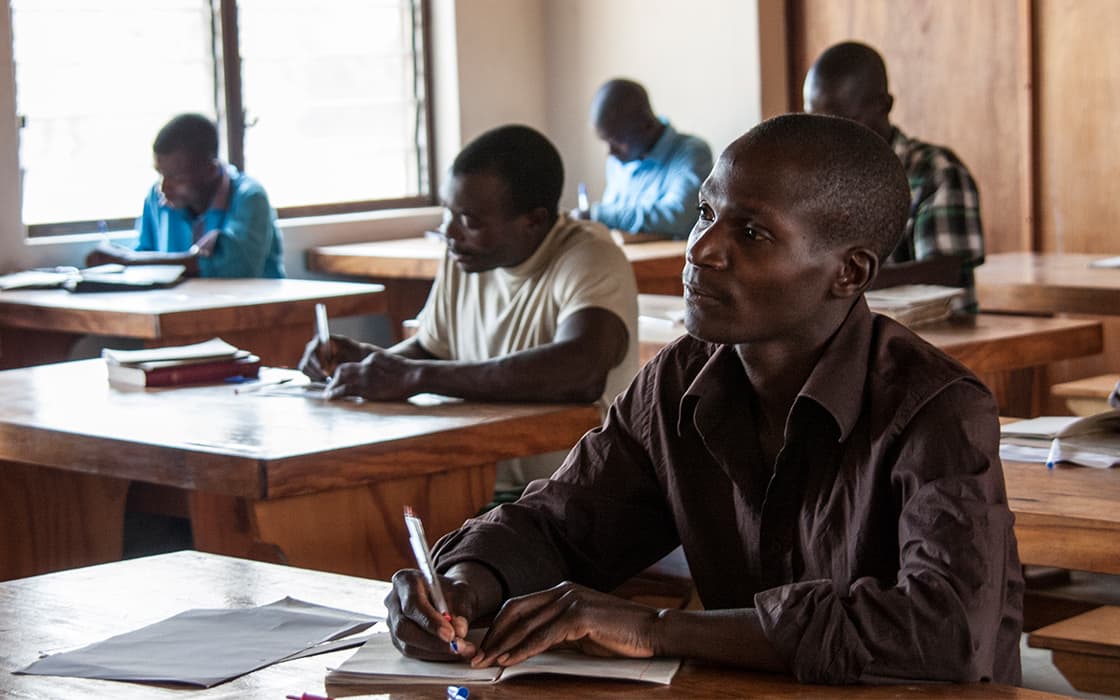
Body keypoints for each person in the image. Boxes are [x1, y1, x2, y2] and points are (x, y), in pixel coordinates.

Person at [385, 114, 1023, 685]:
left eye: (753, 232)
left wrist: (655, 629)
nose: (701, 249)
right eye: (704, 213)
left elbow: (944, 630)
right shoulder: (679, 380)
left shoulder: (936, 408)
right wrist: (466, 584)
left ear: (849, 272)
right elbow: (563, 524)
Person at [300, 124, 639, 491]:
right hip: (481, 482)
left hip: (574, 495)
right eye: (449, 213)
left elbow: (579, 371)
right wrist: (366, 365)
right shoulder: (466, 257)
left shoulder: (590, 256)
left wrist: (415, 376)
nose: (450, 232)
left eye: (470, 221)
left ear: (534, 220)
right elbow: (432, 352)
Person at [803, 42, 984, 312]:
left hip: (936, 331)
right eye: (815, 123)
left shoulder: (935, 172)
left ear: (884, 106)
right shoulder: (816, 180)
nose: (827, 137)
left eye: (843, 120)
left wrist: (851, 278)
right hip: (859, 332)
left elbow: (946, 270)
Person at [86, 113, 284, 278]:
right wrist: (122, 262)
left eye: (176, 177)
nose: (164, 186)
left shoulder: (250, 198)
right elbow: (145, 257)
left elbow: (236, 269)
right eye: (160, 174)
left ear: (210, 170)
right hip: (182, 309)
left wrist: (129, 260)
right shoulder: (157, 198)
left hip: (248, 311)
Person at [574, 78, 712, 240]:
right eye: (606, 141)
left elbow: (679, 217)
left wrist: (597, 215)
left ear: (645, 125)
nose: (610, 152)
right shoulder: (618, 161)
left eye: (617, 140)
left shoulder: (692, 153)